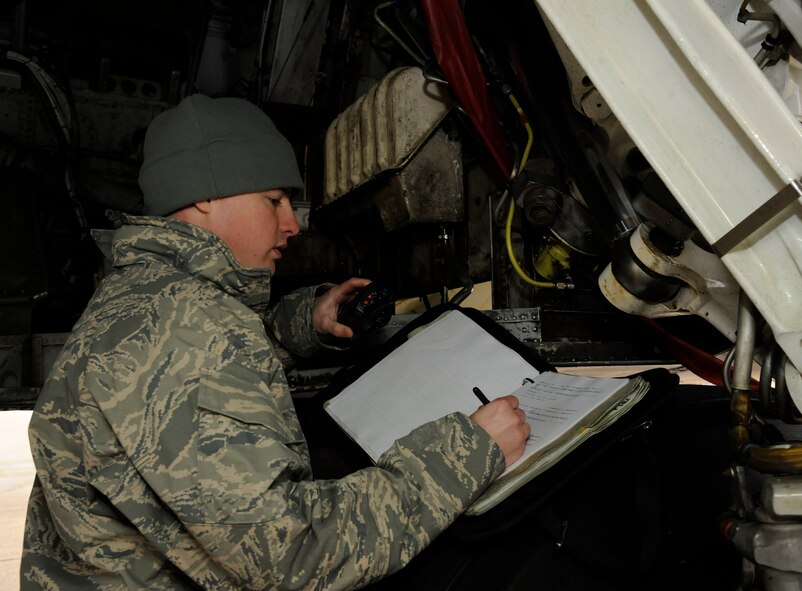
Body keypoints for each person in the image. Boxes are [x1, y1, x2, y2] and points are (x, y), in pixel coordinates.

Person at [20, 94, 530, 590]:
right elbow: (289, 555)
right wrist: (466, 453)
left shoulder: (149, 298)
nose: (292, 225)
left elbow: (197, 375)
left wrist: (305, 320)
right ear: (205, 196)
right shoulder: (187, 331)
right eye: (274, 200)